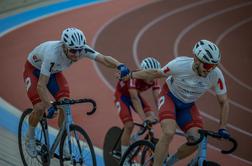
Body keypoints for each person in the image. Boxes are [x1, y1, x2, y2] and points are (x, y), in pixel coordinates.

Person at [23, 27, 130, 157]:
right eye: (73, 51)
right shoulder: (53, 55)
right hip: (34, 70)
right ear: (64, 46)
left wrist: (120, 65)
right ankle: (30, 136)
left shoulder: (80, 48)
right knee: (40, 107)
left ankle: (64, 142)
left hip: (53, 72)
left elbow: (104, 59)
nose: (77, 55)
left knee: (65, 104)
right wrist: (49, 104)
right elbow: (41, 86)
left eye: (79, 51)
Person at [127, 40, 231, 165]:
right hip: (169, 97)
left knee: (197, 140)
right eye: (208, 66)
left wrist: (223, 127)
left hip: (187, 105)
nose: (210, 70)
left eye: (214, 66)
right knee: (169, 132)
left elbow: (224, 101)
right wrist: (131, 75)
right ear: (197, 60)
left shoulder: (216, 74)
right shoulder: (180, 64)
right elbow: (156, 73)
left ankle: (170, 162)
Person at [114, 57, 161, 156]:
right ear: (143, 73)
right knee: (129, 125)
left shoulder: (154, 78)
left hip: (135, 95)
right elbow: (135, 99)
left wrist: (163, 115)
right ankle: (124, 158)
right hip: (123, 96)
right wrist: (144, 119)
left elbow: (158, 99)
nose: (152, 78)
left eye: (154, 75)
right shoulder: (134, 77)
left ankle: (135, 138)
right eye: (149, 75)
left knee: (151, 117)